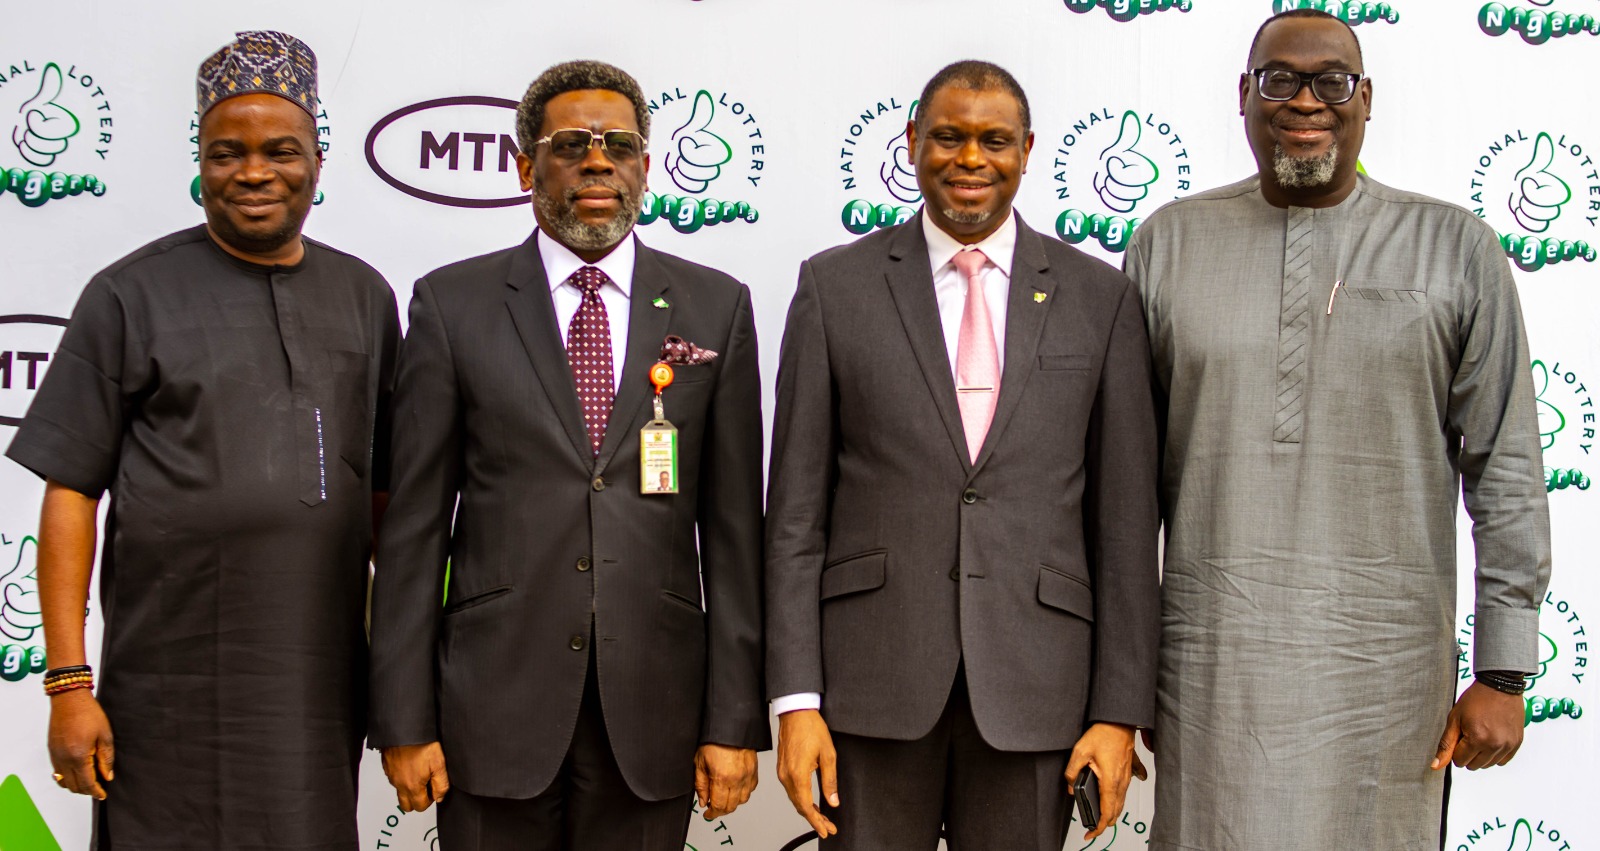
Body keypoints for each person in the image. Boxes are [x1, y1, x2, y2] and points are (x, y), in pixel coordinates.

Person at [1124, 9, 1551, 849]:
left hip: (1387, 681)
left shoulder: (1455, 248)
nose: (1305, 100)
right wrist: (1117, 680)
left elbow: (1506, 466)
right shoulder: (1168, 244)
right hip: (1213, 675)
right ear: (1244, 95)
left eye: (1332, 81)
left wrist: (1503, 668)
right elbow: (1120, 490)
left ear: (1366, 99)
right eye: (1280, 79)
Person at [7, 30, 399, 850]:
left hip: (315, 685)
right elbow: (71, 490)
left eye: (279, 150)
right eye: (227, 152)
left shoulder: (365, 296)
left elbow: (389, 499)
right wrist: (69, 683)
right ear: (200, 159)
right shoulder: (127, 294)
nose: (254, 172)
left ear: (318, 160)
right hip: (165, 688)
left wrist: (405, 678)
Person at [367, 60, 766, 850]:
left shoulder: (717, 306)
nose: (597, 161)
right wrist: (403, 720)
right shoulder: (452, 305)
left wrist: (732, 718)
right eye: (570, 144)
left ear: (646, 167)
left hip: (655, 711)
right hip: (491, 708)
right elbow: (413, 529)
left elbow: (733, 538)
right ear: (524, 167)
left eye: (619, 144)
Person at [765, 60, 1160, 850]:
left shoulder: (1100, 297)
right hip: (870, 686)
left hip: (1037, 687)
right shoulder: (833, 287)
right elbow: (795, 518)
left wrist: (1118, 712)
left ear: (1027, 151)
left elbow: (1124, 524)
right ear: (912, 143)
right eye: (947, 136)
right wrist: (794, 698)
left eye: (994, 141)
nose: (970, 158)